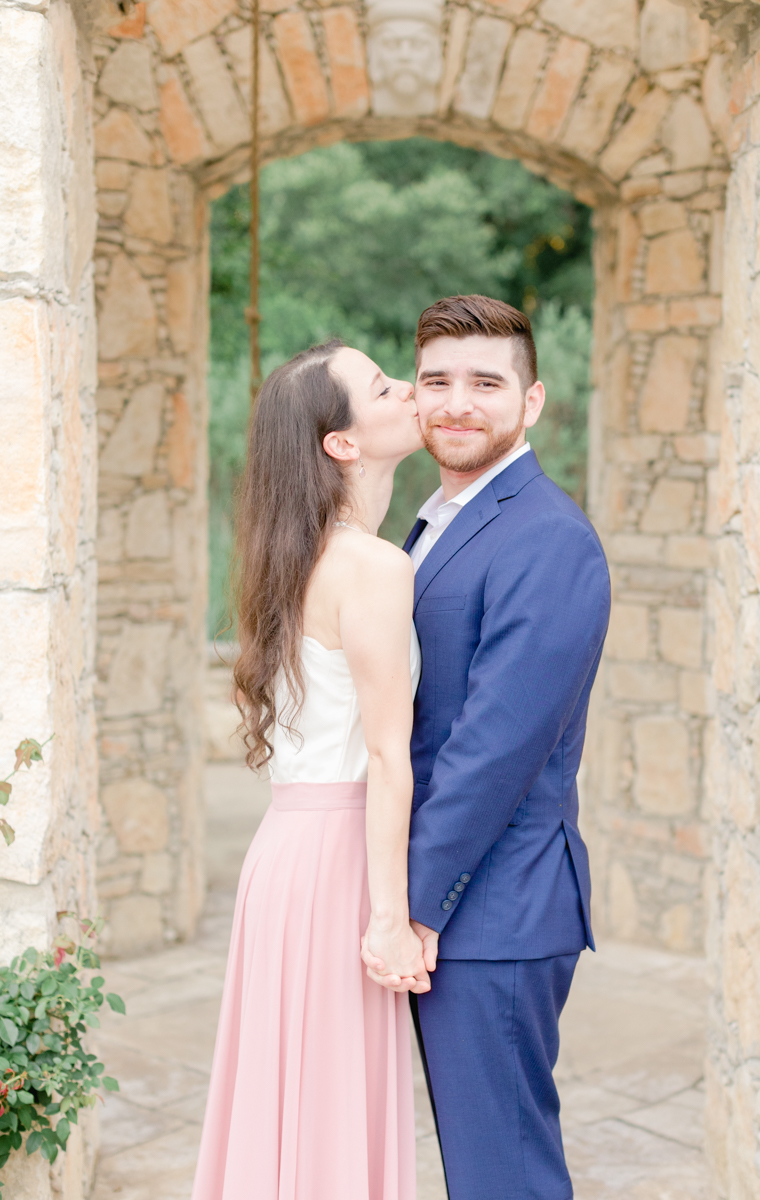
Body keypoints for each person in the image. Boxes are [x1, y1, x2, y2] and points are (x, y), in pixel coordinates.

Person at [363, 295, 611, 1200]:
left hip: (492, 911)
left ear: (532, 401)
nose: (457, 403)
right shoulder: (436, 520)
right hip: (461, 908)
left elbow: (494, 750)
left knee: (503, 1173)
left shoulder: (548, 540)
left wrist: (413, 909)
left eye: (485, 383)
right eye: (437, 381)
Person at [191, 339, 427, 1200]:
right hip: (336, 863)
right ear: (342, 443)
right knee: (331, 1096)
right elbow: (385, 754)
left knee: (290, 1092)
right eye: (383, 385)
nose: (409, 389)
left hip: (285, 856)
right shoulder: (370, 564)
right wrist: (392, 918)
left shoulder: (292, 559)